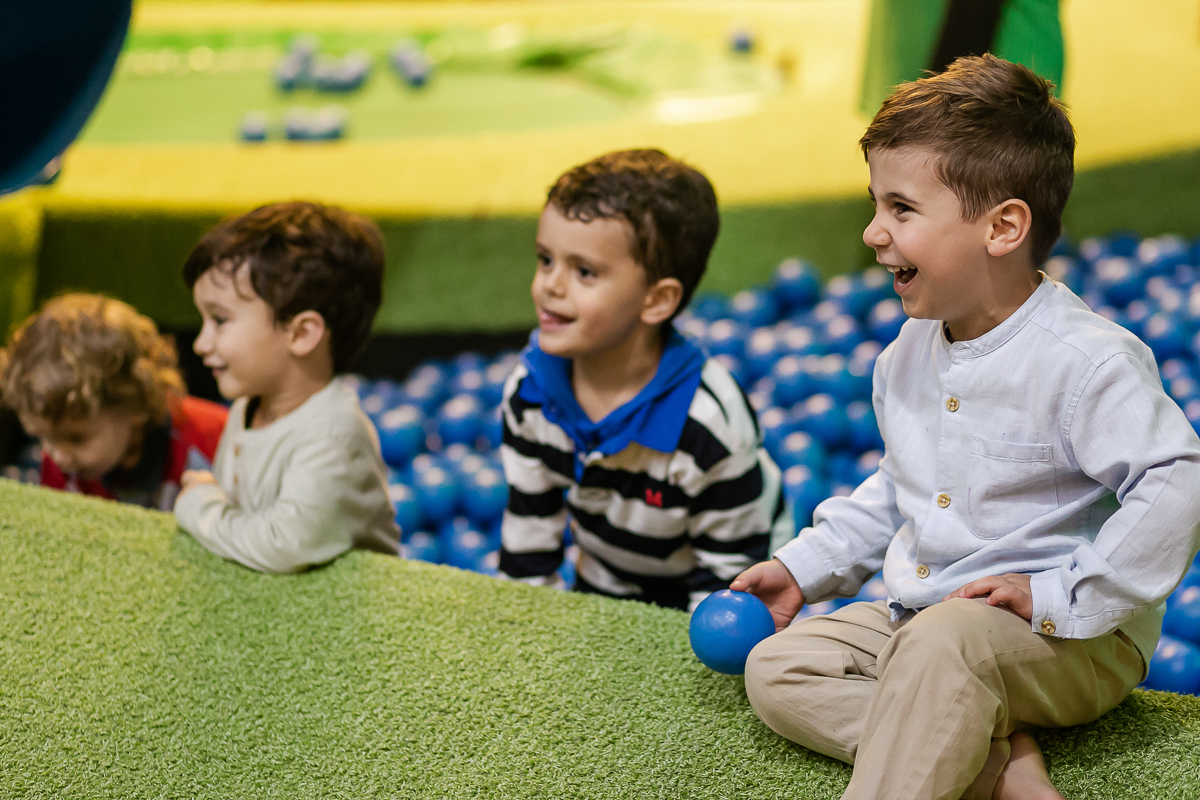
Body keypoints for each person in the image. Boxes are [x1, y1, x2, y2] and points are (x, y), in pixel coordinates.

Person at [734, 55, 1200, 800]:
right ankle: (996, 766)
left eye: (901, 209)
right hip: (928, 620)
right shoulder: (908, 352)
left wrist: (1065, 593)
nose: (873, 232)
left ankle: (945, 742)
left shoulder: (1085, 361)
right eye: (876, 204)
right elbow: (900, 487)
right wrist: (804, 567)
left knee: (940, 647)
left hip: (1068, 640)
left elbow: (1178, 480)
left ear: (1002, 227)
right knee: (781, 666)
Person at [498, 149, 791, 612]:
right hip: (607, 570)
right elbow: (528, 544)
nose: (550, 285)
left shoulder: (709, 424)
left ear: (656, 301)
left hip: (724, 573)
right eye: (545, 259)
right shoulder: (531, 391)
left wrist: (702, 635)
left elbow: (731, 584)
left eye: (584, 271)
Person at [174, 201, 399, 573]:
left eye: (220, 320)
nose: (200, 343)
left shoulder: (333, 435)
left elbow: (282, 545)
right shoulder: (248, 406)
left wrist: (200, 506)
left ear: (301, 334)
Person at [0, 293, 227, 509]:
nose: (58, 457)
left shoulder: (216, 442)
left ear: (136, 405)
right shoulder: (61, 460)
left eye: (77, 439)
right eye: (44, 438)